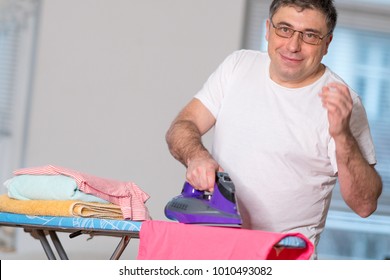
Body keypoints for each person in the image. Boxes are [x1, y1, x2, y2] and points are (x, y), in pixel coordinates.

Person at [165, 0, 382, 257]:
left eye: (310, 35)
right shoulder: (238, 66)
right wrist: (196, 156)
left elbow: (365, 204)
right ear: (268, 29)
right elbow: (182, 126)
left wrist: (342, 136)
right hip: (215, 249)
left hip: (283, 257)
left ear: (327, 43)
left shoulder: (344, 102)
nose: (293, 45)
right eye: (284, 29)